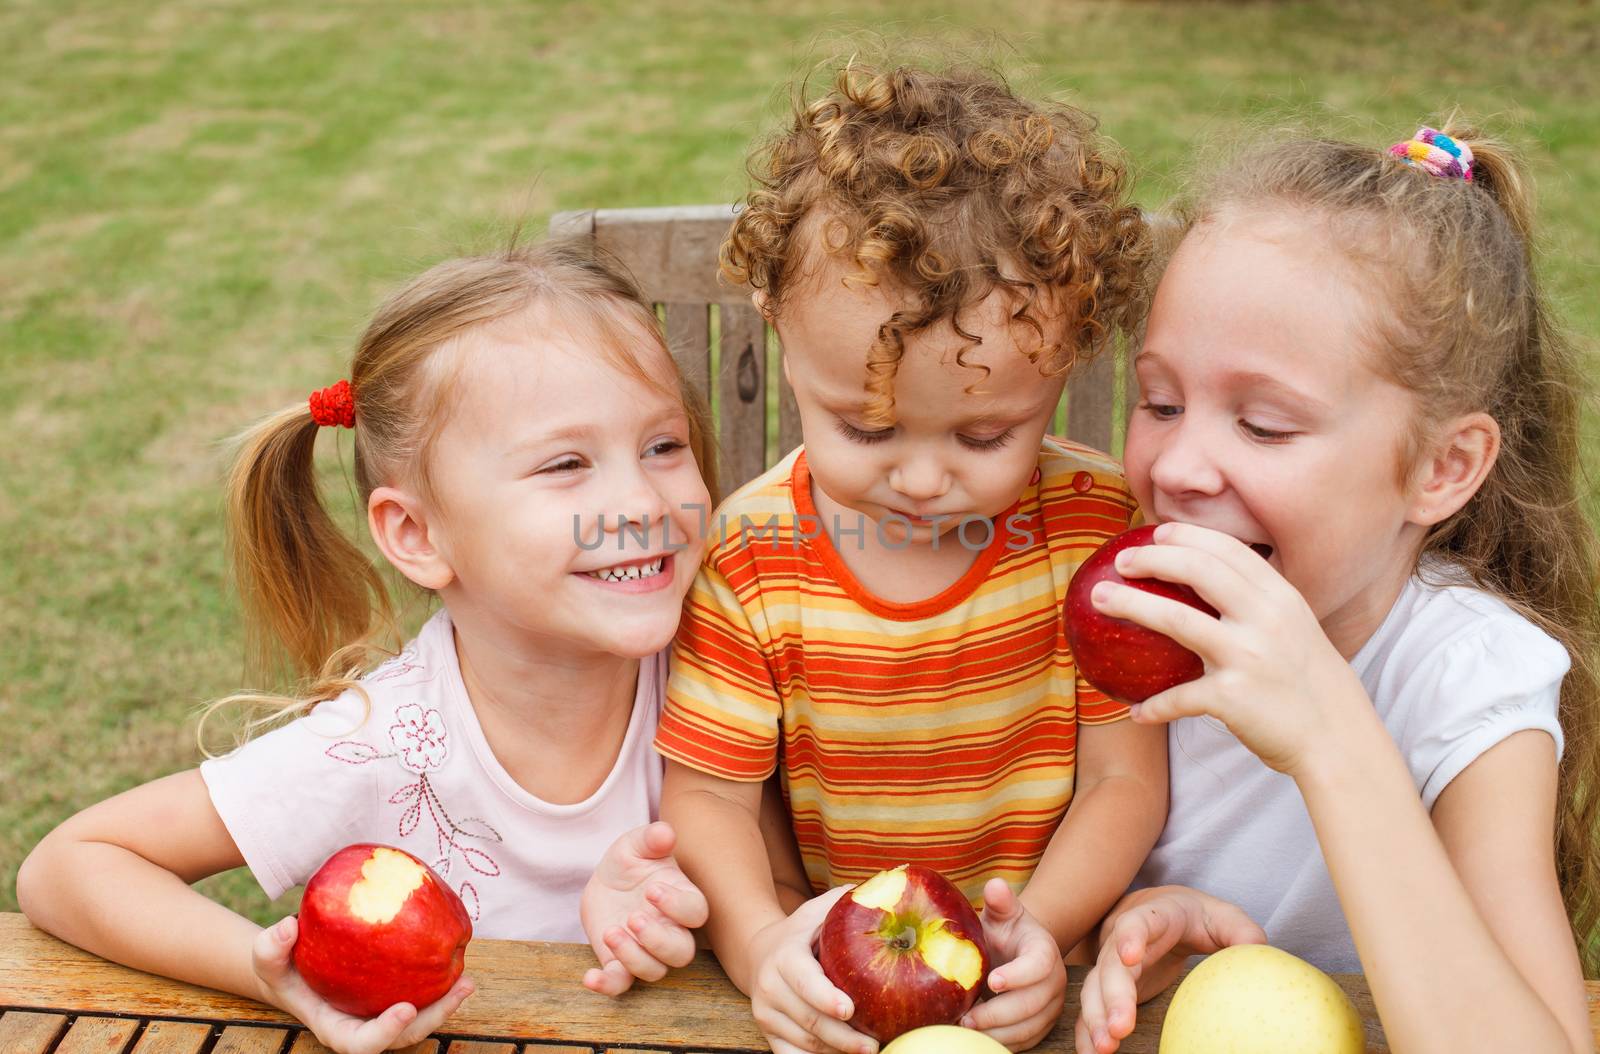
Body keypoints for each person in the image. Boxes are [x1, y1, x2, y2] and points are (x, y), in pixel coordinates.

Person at [19, 239, 721, 1054]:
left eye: (663, 446)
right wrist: (271, 974)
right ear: (417, 535)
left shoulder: (733, 671)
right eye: (566, 464)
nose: (638, 501)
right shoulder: (386, 742)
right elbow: (71, 864)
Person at [655, 63, 1167, 1054]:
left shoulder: (1094, 528)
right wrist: (762, 944)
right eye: (865, 426)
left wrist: (1044, 930)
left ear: (1066, 359)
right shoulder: (752, 556)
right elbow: (709, 798)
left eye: (983, 437)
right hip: (827, 983)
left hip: (1042, 971)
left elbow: (1122, 781)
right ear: (778, 325)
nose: (923, 480)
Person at [1070, 123, 1599, 1054]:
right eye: (1159, 403)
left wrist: (1328, 731)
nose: (1182, 465)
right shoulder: (1129, 617)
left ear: (1442, 467)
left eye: (1265, 426)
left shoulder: (1464, 681)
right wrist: (1178, 929)